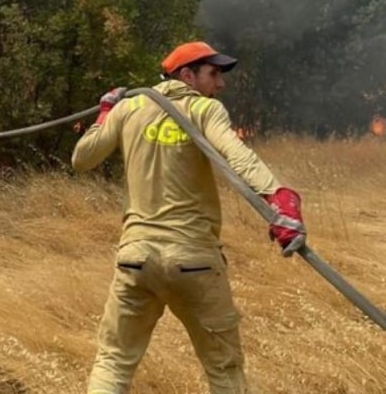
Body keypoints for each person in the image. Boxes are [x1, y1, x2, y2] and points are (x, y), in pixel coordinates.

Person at [72, 41, 305, 394]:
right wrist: (278, 197)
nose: (220, 84)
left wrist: (106, 113)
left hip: (136, 260)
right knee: (224, 370)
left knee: (113, 362)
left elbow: (82, 158)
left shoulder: (130, 108)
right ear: (187, 75)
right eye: (213, 74)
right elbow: (236, 155)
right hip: (194, 261)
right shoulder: (204, 109)